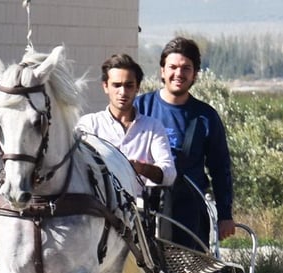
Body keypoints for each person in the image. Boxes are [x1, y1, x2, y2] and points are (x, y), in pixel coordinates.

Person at [135, 37, 236, 247]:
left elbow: (221, 169)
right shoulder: (140, 107)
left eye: (186, 68)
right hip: (143, 209)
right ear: (162, 70)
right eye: (173, 67)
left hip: (190, 214)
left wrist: (225, 215)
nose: (179, 73)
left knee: (190, 267)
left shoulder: (206, 117)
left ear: (195, 74)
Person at [77, 53, 176, 193]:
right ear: (105, 87)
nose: (123, 92)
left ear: (137, 87)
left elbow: (169, 174)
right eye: (116, 85)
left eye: (129, 85)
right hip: (97, 204)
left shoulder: (153, 127)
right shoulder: (89, 125)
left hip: (139, 205)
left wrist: (141, 168)